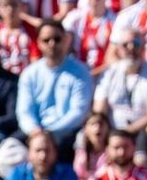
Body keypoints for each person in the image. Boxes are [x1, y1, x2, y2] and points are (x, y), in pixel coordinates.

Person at [14, 19, 94, 150]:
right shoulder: (29, 73)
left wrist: (50, 132)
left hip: (67, 133)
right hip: (34, 132)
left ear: (66, 40)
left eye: (57, 39)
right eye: (46, 40)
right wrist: (35, 131)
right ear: (38, 43)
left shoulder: (81, 72)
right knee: (5, 153)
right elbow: (24, 111)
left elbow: (78, 112)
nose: (52, 44)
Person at [93, 28, 147, 134]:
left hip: (143, 133)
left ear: (143, 48)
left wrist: (126, 133)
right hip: (110, 133)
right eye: (125, 45)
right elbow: (99, 110)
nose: (131, 48)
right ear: (118, 49)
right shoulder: (109, 73)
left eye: (136, 43)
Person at [63, 0, 115, 74]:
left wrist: (91, 75)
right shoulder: (73, 19)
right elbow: (63, 50)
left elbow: (114, 59)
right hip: (77, 74)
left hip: (106, 77)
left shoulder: (116, 22)